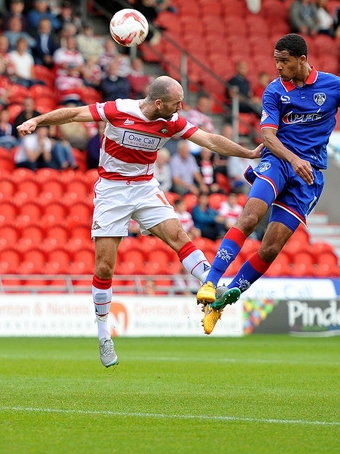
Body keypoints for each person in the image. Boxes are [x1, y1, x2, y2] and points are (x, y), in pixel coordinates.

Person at [16, 76, 262, 367]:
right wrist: (37, 121)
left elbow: (208, 139)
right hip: (112, 190)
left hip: (145, 187)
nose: (180, 107)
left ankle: (211, 285)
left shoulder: (171, 121)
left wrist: (247, 152)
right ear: (159, 102)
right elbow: (72, 113)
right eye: (175, 102)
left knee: (179, 236)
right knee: (105, 265)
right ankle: (103, 333)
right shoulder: (118, 110)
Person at [196, 33, 340, 335]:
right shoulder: (274, 91)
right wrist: (294, 159)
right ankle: (210, 282)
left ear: (302, 59)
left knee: (271, 248)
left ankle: (221, 303)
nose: (278, 66)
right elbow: (268, 136)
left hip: (309, 178)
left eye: (283, 61)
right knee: (249, 216)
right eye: (276, 60)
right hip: (278, 162)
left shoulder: (337, 87)